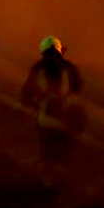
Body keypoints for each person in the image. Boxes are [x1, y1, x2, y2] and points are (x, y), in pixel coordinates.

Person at [20, 35, 84, 186]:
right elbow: (77, 88)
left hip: (46, 119)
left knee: (48, 151)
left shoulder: (38, 68)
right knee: (64, 148)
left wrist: (29, 104)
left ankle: (49, 179)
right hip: (65, 119)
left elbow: (27, 91)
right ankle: (60, 175)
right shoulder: (69, 68)